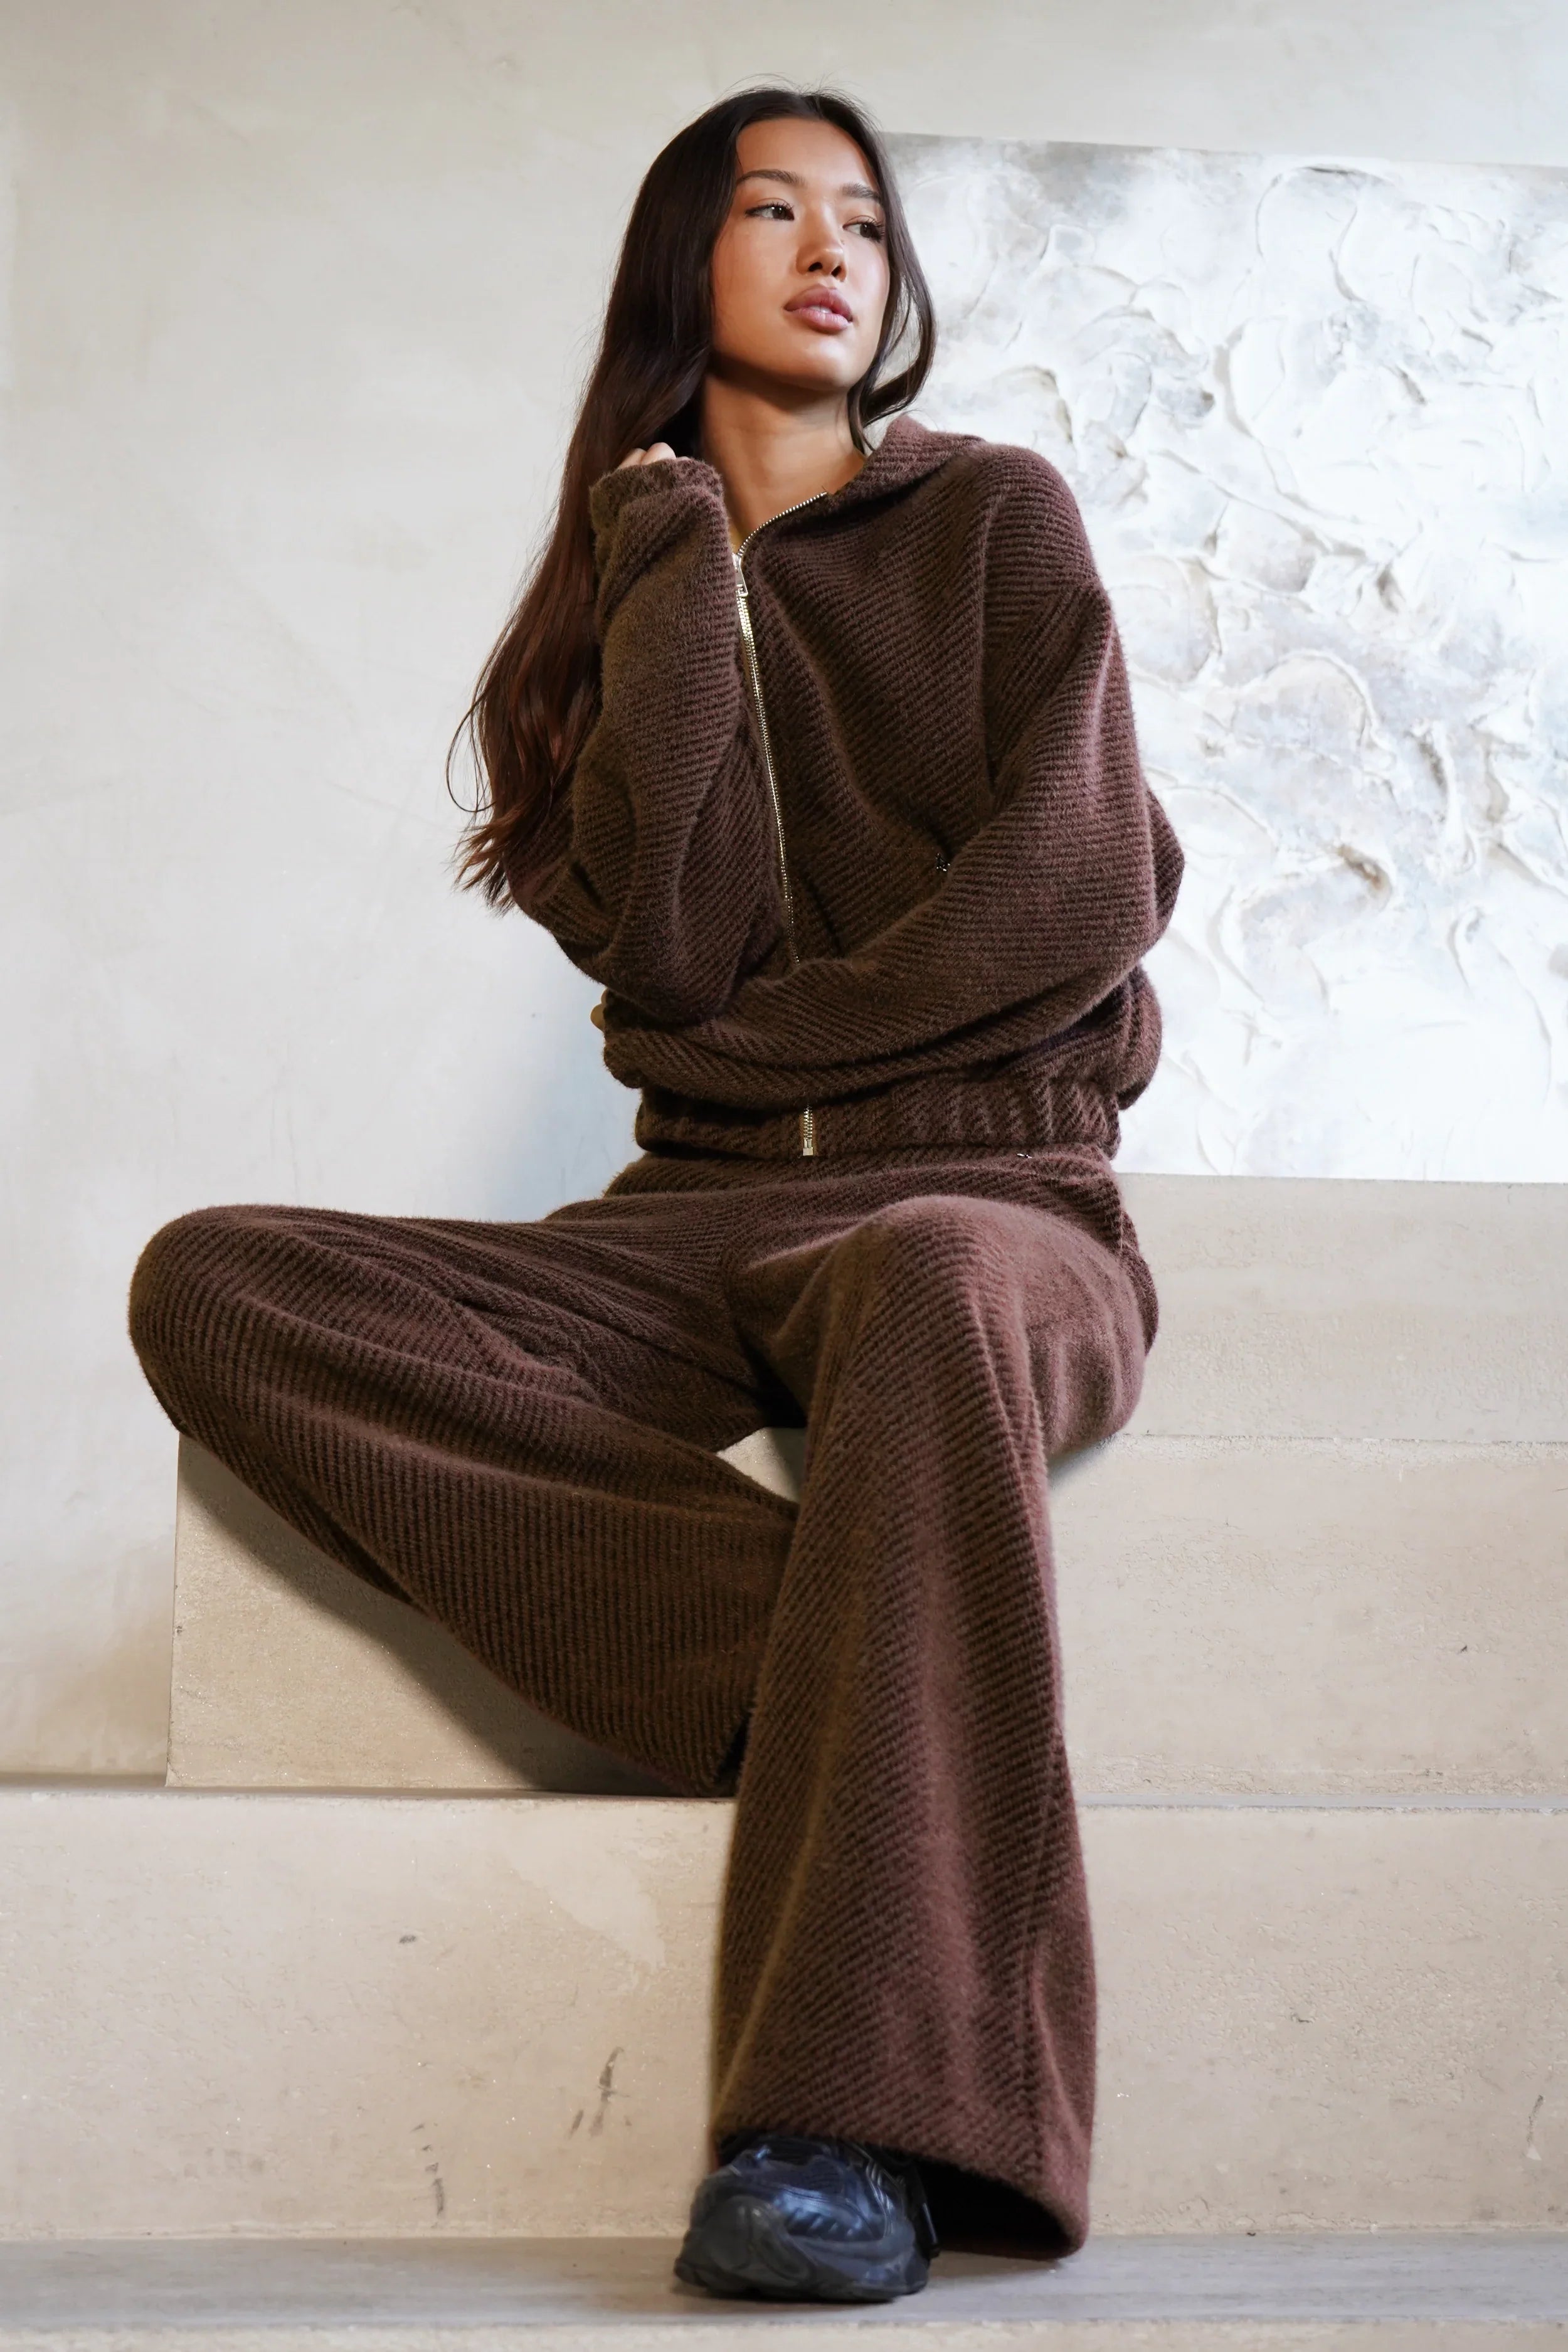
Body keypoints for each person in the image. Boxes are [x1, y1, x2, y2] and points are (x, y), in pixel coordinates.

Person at [128, 87, 1182, 2305]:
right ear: (676, 259)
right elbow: (675, 948)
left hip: (991, 1194)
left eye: (868, 221)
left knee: (915, 1280)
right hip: (679, 1218)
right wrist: (672, 568)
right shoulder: (616, 602)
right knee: (223, 1285)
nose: (837, 249)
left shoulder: (991, 516)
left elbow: (1079, 885)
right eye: (774, 208)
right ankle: (864, 1673)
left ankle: (852, 2129)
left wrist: (767, 1059)